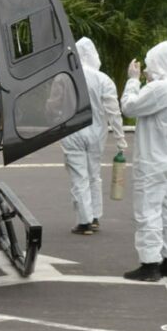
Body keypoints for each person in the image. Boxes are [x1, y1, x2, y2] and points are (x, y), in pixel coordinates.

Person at [120, 41, 167, 282]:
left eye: (149, 65)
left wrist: (132, 81)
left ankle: (150, 263)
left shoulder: (160, 88)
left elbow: (129, 107)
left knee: (147, 210)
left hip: (152, 160)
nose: (147, 70)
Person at [63, 37, 127, 235]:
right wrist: (120, 138)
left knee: (79, 177)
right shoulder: (104, 79)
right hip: (97, 134)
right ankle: (95, 216)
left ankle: (84, 222)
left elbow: (54, 105)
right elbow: (113, 112)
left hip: (72, 133)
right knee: (94, 175)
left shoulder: (66, 77)